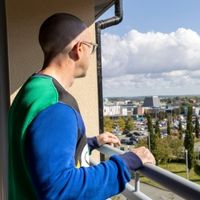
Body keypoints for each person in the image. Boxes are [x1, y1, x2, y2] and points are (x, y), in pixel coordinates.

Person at [8, 13, 155, 200]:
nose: (91, 54)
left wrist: (88, 143)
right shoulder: (57, 105)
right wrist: (128, 162)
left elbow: (38, 151)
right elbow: (61, 189)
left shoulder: (30, 91)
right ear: (79, 49)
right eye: (91, 48)